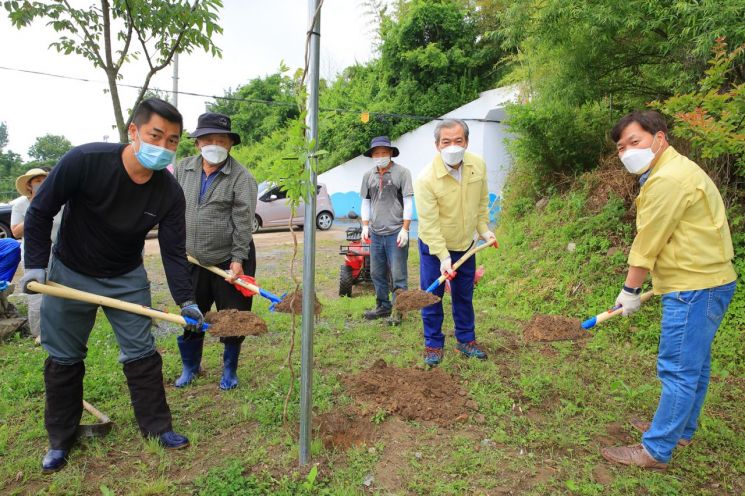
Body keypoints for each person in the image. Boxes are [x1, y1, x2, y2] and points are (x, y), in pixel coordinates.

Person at [19, 98, 204, 474]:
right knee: (64, 358)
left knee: (142, 353)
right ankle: (61, 439)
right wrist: (36, 267)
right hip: (70, 271)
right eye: (156, 135)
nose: (164, 146)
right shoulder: (85, 161)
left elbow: (172, 251)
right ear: (133, 132)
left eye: (172, 141)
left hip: (126, 277)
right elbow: (41, 211)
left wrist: (187, 300)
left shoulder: (168, 192)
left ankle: (157, 428)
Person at [601, 110, 737, 470]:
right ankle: (681, 430)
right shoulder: (672, 170)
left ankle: (655, 450)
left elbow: (648, 243)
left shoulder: (667, 180)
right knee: (695, 365)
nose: (628, 151)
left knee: (677, 369)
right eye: (621, 147)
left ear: (659, 138)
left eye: (636, 141)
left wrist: (630, 290)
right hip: (709, 279)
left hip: (693, 286)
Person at [173, 112, 258, 390]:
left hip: (228, 262)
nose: (214, 145)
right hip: (191, 259)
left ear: (230, 144)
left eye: (221, 140)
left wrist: (237, 260)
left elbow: (243, 223)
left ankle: (229, 371)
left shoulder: (242, 178)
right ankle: (190, 367)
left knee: (232, 318)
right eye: (208, 139)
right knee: (191, 315)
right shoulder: (183, 169)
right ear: (198, 143)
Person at [413, 119, 496, 367]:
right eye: (446, 142)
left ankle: (466, 340)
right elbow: (428, 223)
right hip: (434, 247)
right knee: (431, 297)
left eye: (458, 141)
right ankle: (433, 345)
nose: (452, 146)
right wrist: (443, 257)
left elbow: (481, 204)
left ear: (466, 142)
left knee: (463, 295)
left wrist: (484, 230)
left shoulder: (477, 167)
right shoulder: (426, 179)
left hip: (466, 245)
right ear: (437, 145)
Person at [359, 136, 413, 325]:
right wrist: (365, 226)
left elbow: (408, 202)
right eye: (376, 153)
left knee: (398, 275)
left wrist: (405, 229)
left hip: (396, 232)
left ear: (391, 153)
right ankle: (383, 306)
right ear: (372, 155)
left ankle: (399, 310)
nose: (380, 156)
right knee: (376, 273)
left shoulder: (402, 173)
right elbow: (365, 202)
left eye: (384, 152)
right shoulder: (368, 176)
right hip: (376, 233)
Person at [11, 168, 63, 338]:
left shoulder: (58, 201)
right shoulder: (20, 204)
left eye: (44, 180)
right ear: (29, 185)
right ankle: (38, 334)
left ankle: (58, 330)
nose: (42, 183)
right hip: (33, 254)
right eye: (37, 181)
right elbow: (16, 232)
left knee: (59, 291)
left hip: (58, 251)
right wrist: (36, 211)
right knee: (36, 294)